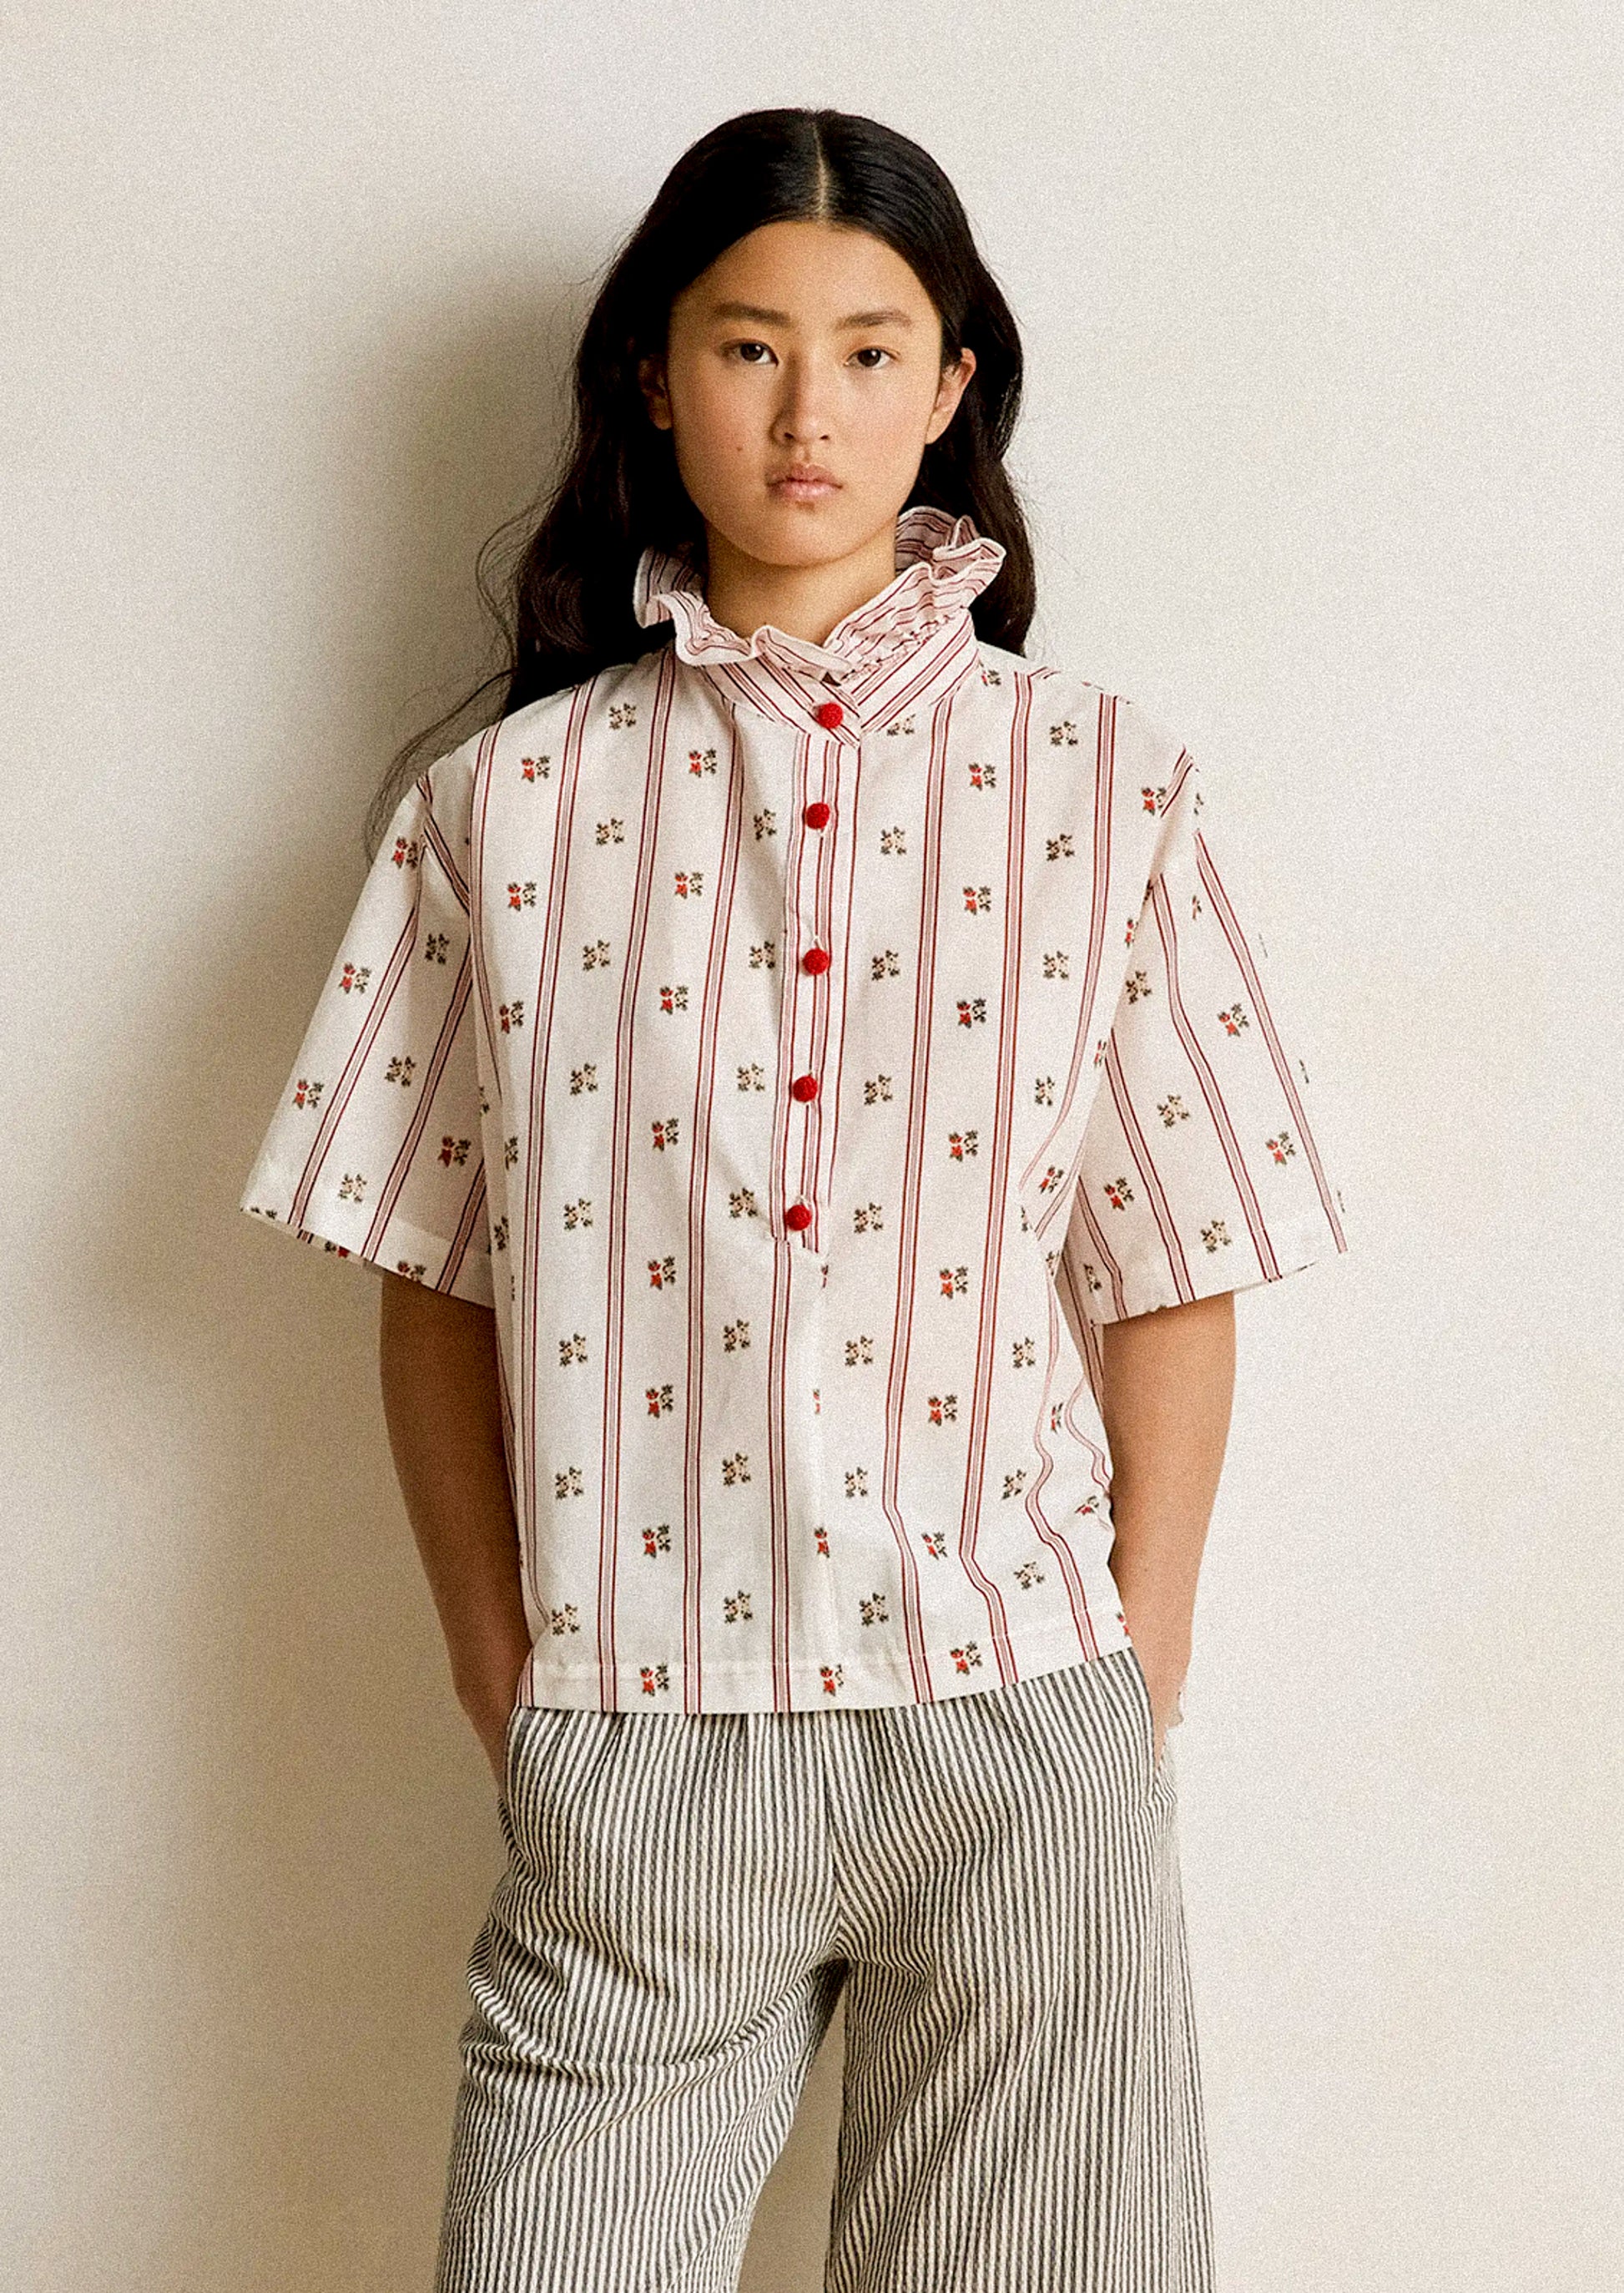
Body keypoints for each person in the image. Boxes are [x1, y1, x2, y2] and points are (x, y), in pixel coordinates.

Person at [240, 104, 1350, 2293]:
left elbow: (1175, 1264)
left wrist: (1133, 1669)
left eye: (867, 350)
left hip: (1015, 1723)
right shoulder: (508, 805)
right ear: (655, 377)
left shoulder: (1099, 783)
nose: (805, 409)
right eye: (749, 348)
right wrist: (511, 1672)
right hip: (638, 1748)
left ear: (952, 387)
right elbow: (430, 1281)